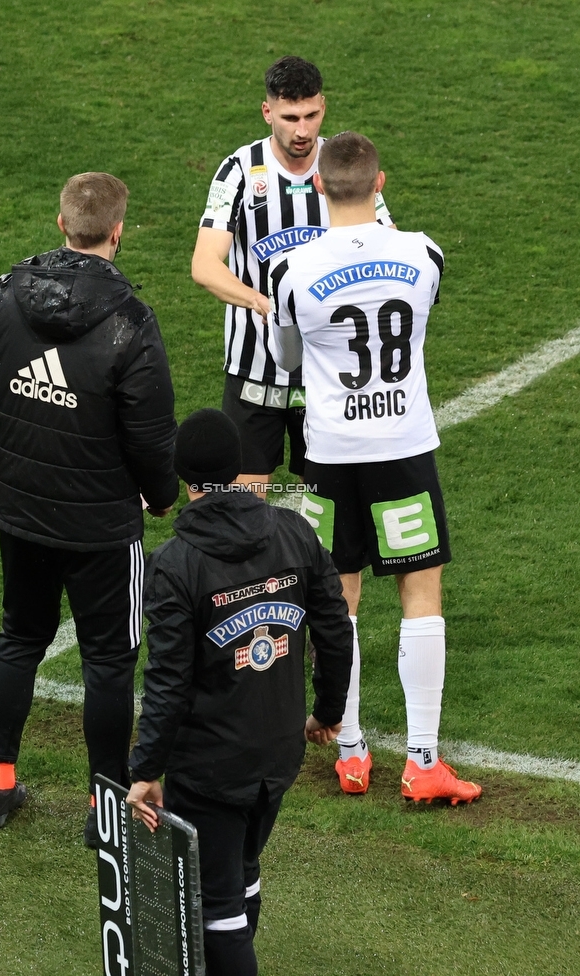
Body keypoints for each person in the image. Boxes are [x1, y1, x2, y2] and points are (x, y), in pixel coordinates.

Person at [0, 172, 179, 840]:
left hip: (21, 510)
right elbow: (150, 437)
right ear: (118, 230)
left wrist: (26, 435)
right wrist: (161, 498)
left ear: (61, 224)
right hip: (102, 523)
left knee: (20, 636)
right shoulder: (129, 320)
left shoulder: (7, 293)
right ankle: (104, 809)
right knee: (108, 659)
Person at [268, 132, 482, 805]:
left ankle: (352, 753)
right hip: (402, 446)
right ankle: (422, 762)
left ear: (320, 188)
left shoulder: (292, 270)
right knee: (420, 593)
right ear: (380, 182)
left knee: (339, 598)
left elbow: (287, 357)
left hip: (327, 451)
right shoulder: (423, 254)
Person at [126, 408, 352, 976]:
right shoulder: (295, 531)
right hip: (280, 751)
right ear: (239, 468)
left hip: (209, 769)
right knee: (244, 867)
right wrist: (329, 711)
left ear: (184, 480)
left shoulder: (175, 564)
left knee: (213, 908)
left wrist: (146, 769)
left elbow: (168, 683)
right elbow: (335, 625)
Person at [191, 56, 394, 493]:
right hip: (254, 373)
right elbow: (205, 266)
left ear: (324, 106)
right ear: (268, 113)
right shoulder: (239, 171)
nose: (302, 131)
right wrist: (266, 305)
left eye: (311, 115)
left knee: (329, 518)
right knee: (242, 511)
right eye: (289, 118)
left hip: (330, 374)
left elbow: (387, 242)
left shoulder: (342, 166)